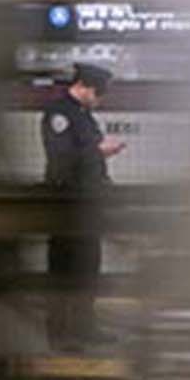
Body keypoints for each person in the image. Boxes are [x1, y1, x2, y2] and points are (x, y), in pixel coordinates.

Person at [41, 63, 124, 349]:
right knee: (64, 272)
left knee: (87, 269)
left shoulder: (83, 116)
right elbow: (61, 159)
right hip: (66, 207)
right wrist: (98, 151)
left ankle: (84, 327)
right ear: (84, 87)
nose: (100, 100)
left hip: (87, 206)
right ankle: (60, 334)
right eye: (98, 94)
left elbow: (88, 160)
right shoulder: (59, 114)